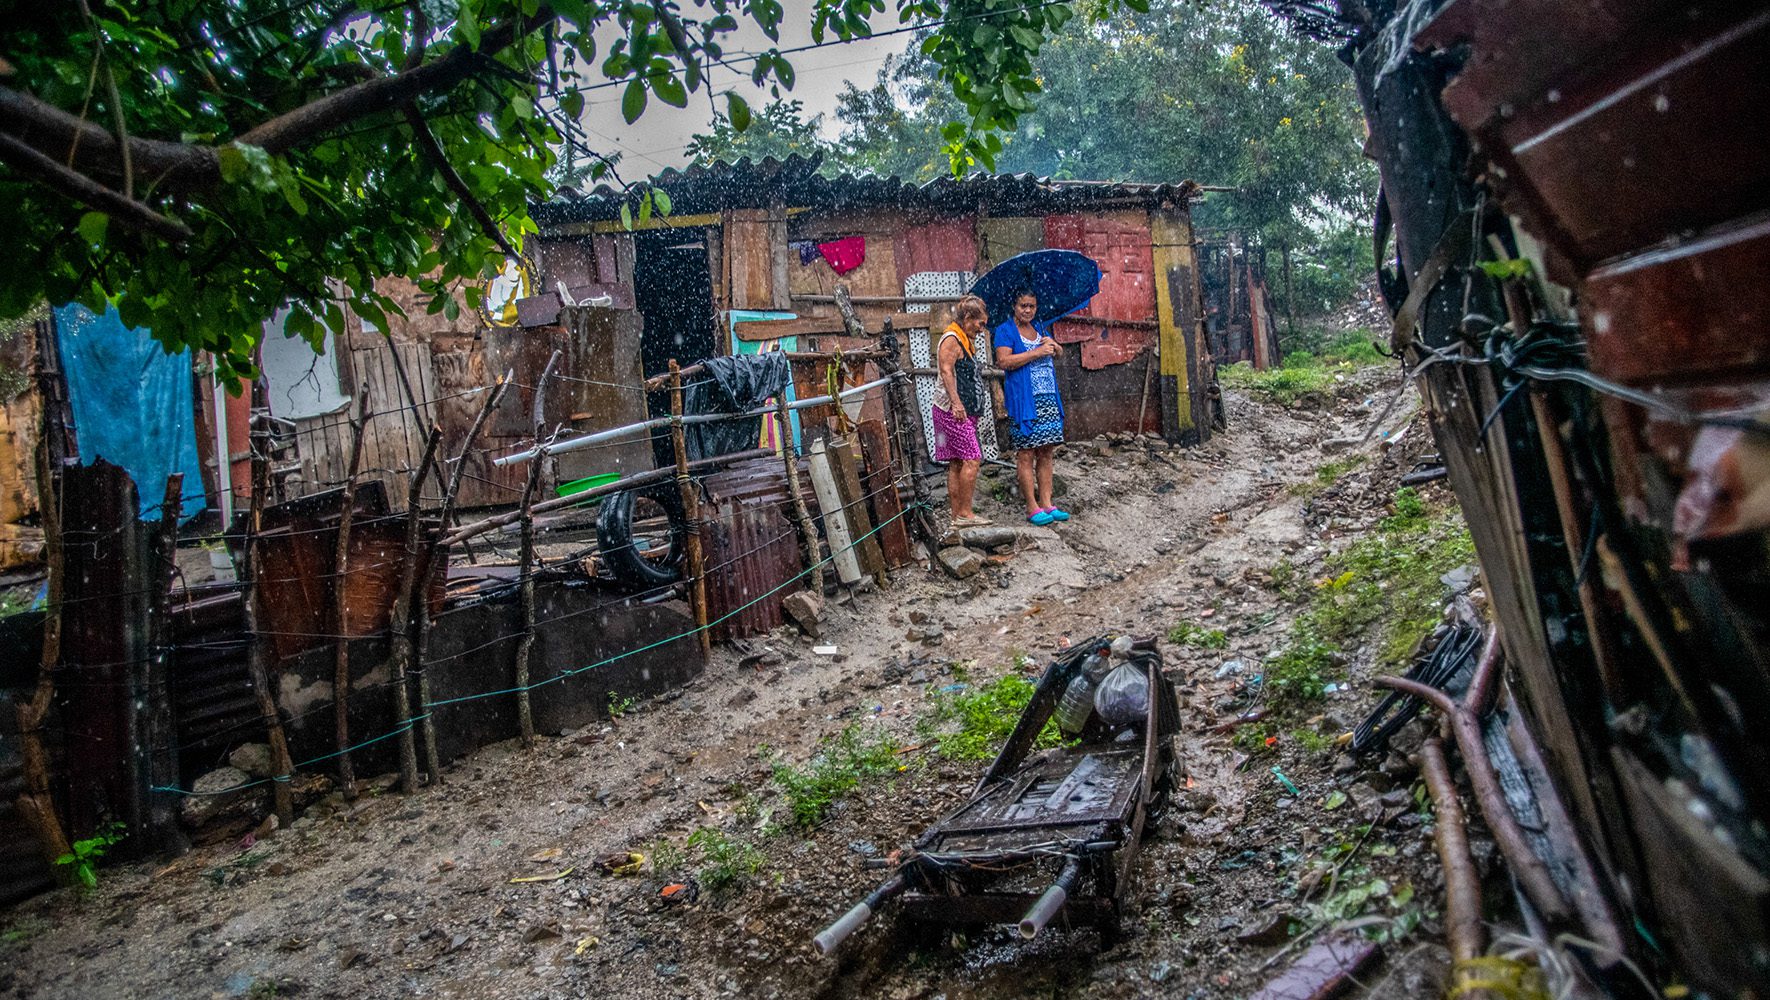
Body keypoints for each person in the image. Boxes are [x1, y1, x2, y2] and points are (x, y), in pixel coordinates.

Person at [993, 288, 1069, 526]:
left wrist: (1055, 347)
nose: (1027, 310)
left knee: (1046, 450)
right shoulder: (1005, 331)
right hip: (1024, 399)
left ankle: (1047, 503)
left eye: (1031, 306)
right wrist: (1036, 352)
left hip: (1047, 397)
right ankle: (1031, 506)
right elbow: (1004, 361)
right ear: (1014, 306)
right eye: (1023, 305)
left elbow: (1058, 353)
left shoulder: (1041, 327)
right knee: (1026, 452)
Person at [932, 294, 991, 528]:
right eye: (980, 323)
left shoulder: (963, 339)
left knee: (957, 462)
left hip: (960, 411)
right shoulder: (951, 339)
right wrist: (956, 404)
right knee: (972, 459)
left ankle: (956, 518)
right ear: (967, 318)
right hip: (952, 411)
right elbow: (946, 372)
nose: (981, 328)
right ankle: (965, 513)